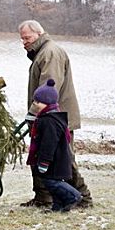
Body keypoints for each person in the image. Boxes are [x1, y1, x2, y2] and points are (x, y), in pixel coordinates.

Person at [18, 19, 93, 208]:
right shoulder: (41, 53)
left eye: (27, 38)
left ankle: (83, 198)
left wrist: (32, 114)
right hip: (47, 118)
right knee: (39, 156)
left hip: (57, 119)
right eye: (22, 39)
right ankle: (44, 198)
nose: (24, 42)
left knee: (63, 159)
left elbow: (48, 90)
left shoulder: (50, 53)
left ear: (38, 34)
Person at [27, 79, 82, 212]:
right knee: (51, 181)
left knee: (52, 182)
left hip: (54, 160)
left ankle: (73, 196)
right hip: (55, 160)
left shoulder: (50, 122)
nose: (34, 104)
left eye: (38, 102)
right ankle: (58, 207)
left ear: (47, 103)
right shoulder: (49, 117)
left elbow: (48, 144)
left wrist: (44, 162)